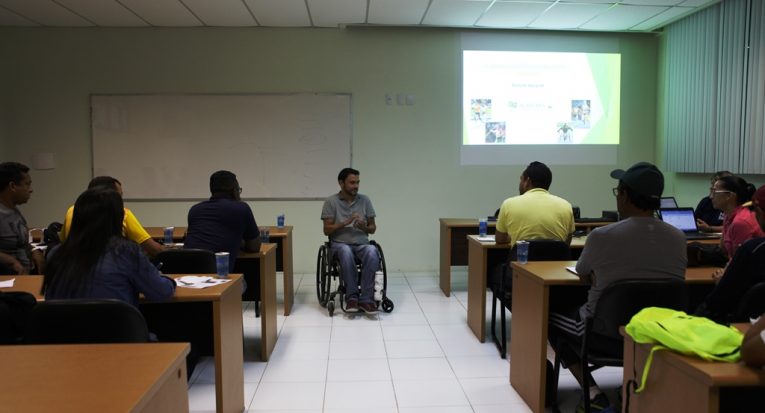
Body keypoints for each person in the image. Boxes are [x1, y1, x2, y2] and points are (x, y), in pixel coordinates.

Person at [549, 162, 687, 412]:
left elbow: (581, 271)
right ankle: (635, 389)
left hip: (604, 334)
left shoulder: (602, 236)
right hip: (657, 333)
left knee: (547, 317)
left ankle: (592, 394)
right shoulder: (678, 238)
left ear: (624, 196)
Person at [43, 188, 175, 307]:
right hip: (117, 332)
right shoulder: (126, 252)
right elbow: (162, 292)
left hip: (63, 332)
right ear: (118, 218)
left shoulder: (55, 253)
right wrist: (164, 278)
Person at [696, 185, 765, 323]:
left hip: (742, 323)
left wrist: (722, 281)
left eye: (756, 211)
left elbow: (719, 300)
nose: (753, 215)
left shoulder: (753, 249)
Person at [60, 176, 165, 258]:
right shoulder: (123, 214)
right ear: (110, 196)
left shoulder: (72, 211)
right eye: (119, 196)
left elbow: (63, 242)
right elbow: (155, 250)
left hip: (75, 273)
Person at [321, 167, 379, 314]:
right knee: (345, 251)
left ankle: (366, 299)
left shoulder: (365, 200)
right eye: (352, 182)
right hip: (340, 244)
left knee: (372, 251)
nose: (356, 186)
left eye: (358, 182)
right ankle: (352, 297)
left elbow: (372, 229)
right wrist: (345, 222)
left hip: (361, 244)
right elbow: (326, 230)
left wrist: (364, 227)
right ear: (341, 183)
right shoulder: (331, 201)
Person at [184, 170, 261, 272]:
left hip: (186, 275)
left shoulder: (195, 209)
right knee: (246, 281)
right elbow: (254, 247)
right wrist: (239, 241)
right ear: (234, 190)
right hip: (218, 278)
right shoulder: (241, 208)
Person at [495, 161, 574, 247]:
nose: (520, 183)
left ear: (527, 181)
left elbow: (500, 239)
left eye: (521, 179)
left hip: (521, 260)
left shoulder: (509, 204)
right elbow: (567, 242)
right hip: (557, 259)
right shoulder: (566, 206)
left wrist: (512, 237)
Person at [0, 162, 43, 274]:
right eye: (27, 184)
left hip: (27, 272)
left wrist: (34, 249)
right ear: (13, 186)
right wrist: (11, 261)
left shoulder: (13, 210)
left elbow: (24, 234)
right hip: (10, 278)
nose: (30, 190)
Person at [711, 176, 762, 260]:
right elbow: (723, 249)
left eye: (714, 192)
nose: (711, 197)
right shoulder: (728, 215)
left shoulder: (741, 222)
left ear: (729, 196)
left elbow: (740, 262)